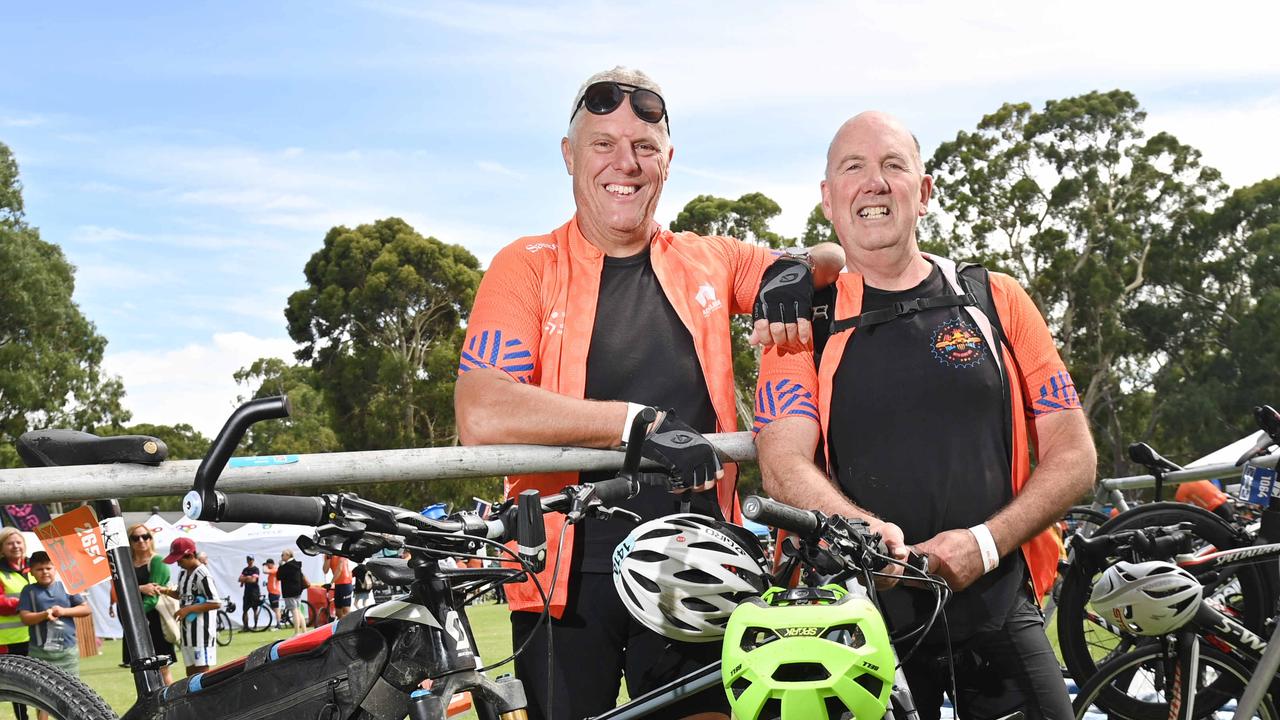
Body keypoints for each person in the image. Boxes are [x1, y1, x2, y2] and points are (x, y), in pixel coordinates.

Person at [454, 66, 844, 720]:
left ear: (668, 162)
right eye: (602, 143)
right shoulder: (527, 264)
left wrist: (800, 271)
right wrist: (633, 424)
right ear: (568, 155)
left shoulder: (710, 259)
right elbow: (483, 410)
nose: (624, 163)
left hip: (698, 571)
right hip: (565, 585)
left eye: (644, 148)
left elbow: (833, 256)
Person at [753, 111, 1097, 720]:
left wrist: (985, 544)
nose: (874, 183)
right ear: (829, 199)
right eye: (852, 168)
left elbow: (1075, 457)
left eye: (893, 165)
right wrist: (865, 535)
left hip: (996, 602)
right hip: (856, 622)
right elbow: (782, 465)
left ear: (925, 190)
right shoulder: (802, 322)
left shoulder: (994, 298)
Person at [19, 550, 91, 719]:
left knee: (73, 693)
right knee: (41, 695)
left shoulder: (66, 587)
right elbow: (25, 618)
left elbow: (86, 609)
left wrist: (63, 611)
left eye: (48, 568)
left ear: (56, 569)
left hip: (68, 651)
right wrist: (45, 614)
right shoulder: (28, 591)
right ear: (31, 572)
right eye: (39, 569)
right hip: (39, 651)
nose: (44, 572)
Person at [111, 523, 175, 684]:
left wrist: (133, 616)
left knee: (162, 667)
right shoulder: (125, 563)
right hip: (132, 621)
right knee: (141, 670)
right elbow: (117, 591)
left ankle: (171, 704)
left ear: (151, 539)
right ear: (130, 541)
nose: (141, 540)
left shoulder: (157, 561)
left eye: (145, 536)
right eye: (135, 537)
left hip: (152, 620)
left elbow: (152, 597)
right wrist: (140, 588)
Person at [159, 537, 221, 676]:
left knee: (201, 674)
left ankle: (203, 698)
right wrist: (163, 590)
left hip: (202, 631)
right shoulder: (183, 574)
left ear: (190, 555)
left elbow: (216, 602)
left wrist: (188, 609)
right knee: (190, 673)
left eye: (180, 560)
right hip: (187, 632)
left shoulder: (203, 575)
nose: (178, 564)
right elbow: (181, 594)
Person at [0, 527, 32, 720]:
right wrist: (24, 604)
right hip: (8, 640)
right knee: (15, 685)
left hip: (37, 636)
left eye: (18, 542)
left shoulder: (36, 567)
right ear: (2, 548)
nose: (15, 546)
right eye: (10, 543)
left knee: (43, 681)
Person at [275, 549, 310, 636]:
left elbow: (278, 576)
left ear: (288, 555)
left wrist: (280, 566)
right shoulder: (296, 564)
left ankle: (297, 632)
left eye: (283, 555)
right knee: (298, 610)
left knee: (294, 611)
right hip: (298, 591)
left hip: (289, 592)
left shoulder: (286, 566)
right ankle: (304, 631)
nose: (281, 557)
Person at [323, 553, 353, 619]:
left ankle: (350, 628)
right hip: (337, 584)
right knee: (338, 612)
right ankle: (342, 628)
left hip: (346, 583)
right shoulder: (327, 555)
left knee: (346, 610)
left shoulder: (340, 553)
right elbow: (325, 570)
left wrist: (331, 583)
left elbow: (339, 569)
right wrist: (328, 558)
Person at [238, 555, 261, 628]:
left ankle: (255, 626)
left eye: (251, 560)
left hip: (255, 592)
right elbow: (239, 579)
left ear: (253, 560)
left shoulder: (256, 569)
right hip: (247, 592)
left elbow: (253, 580)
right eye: (248, 560)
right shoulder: (245, 569)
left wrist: (245, 578)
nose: (249, 561)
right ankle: (246, 627)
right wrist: (248, 578)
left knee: (255, 609)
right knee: (245, 610)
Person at [263, 558, 281, 625]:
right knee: (274, 608)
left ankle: (278, 625)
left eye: (268, 565)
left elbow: (264, 571)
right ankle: (280, 615)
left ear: (271, 564)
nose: (267, 566)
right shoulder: (272, 571)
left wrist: (264, 565)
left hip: (275, 592)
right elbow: (272, 581)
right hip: (271, 592)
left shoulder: (275, 569)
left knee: (276, 609)